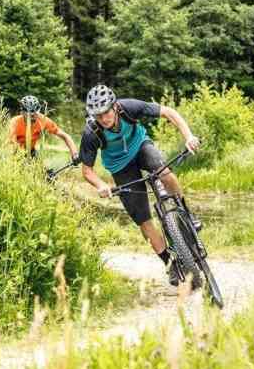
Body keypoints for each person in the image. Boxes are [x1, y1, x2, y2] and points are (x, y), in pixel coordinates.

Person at [78, 84, 202, 286]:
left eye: (106, 112)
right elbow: (87, 171)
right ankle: (169, 262)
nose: (104, 119)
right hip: (120, 167)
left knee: (164, 173)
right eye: (98, 116)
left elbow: (168, 112)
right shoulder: (91, 133)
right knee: (143, 220)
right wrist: (101, 185)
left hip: (141, 147)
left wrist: (188, 136)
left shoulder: (129, 107)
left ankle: (185, 211)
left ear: (115, 107)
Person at [9, 95, 78, 160]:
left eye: (34, 111)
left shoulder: (43, 120)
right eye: (29, 112)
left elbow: (65, 136)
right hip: (15, 151)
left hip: (31, 150)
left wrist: (74, 154)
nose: (32, 114)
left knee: (42, 168)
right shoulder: (15, 122)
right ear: (22, 112)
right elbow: (12, 144)